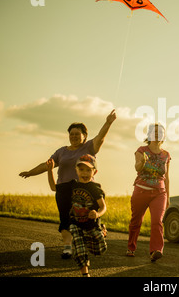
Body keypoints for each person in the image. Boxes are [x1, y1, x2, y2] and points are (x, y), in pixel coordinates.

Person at [19, 109, 116, 258]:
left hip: (85, 188)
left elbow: (100, 137)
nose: (74, 136)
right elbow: (47, 165)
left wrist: (108, 122)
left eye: (77, 134)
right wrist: (30, 173)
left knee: (87, 217)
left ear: (84, 136)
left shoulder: (89, 147)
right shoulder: (61, 152)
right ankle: (67, 247)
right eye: (71, 134)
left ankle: (98, 228)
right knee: (65, 218)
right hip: (64, 189)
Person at [47, 154, 107, 277]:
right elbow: (53, 187)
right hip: (75, 223)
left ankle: (102, 231)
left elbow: (103, 207)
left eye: (88, 170)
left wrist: (97, 214)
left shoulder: (94, 188)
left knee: (100, 249)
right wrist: (49, 170)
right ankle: (85, 274)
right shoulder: (71, 185)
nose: (84, 173)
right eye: (81, 169)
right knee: (80, 250)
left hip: (91, 224)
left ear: (94, 172)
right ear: (76, 170)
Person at [127, 123, 171, 262]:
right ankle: (131, 247)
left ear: (164, 136)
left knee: (157, 221)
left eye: (160, 132)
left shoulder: (166, 155)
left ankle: (156, 250)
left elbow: (167, 177)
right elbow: (137, 167)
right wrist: (143, 162)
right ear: (149, 135)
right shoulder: (141, 150)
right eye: (154, 132)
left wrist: (168, 197)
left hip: (159, 192)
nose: (157, 134)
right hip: (141, 190)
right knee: (136, 221)